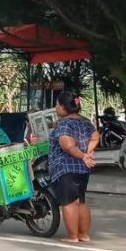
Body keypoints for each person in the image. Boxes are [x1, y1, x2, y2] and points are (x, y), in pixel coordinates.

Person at [49, 91, 100, 243]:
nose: (56, 107)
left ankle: (73, 236)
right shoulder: (85, 121)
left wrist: (83, 155)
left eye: (57, 104)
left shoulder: (65, 124)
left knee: (70, 203)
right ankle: (84, 234)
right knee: (81, 201)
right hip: (83, 169)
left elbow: (67, 145)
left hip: (67, 168)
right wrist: (88, 151)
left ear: (64, 107)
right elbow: (96, 136)